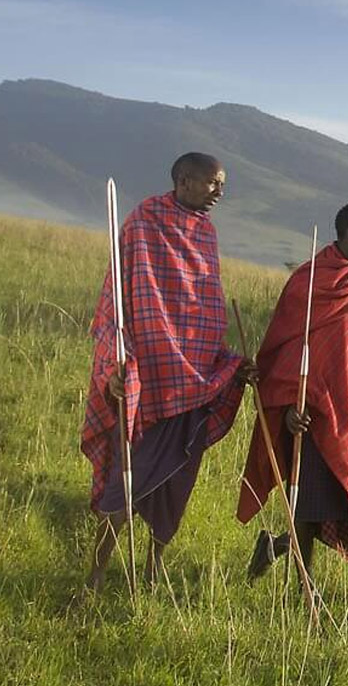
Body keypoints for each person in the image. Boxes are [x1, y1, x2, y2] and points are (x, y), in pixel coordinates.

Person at [81, 152, 256, 591]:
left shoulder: (206, 234)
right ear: (183, 180)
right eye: (212, 182)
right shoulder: (144, 222)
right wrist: (118, 361)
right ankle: (97, 572)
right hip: (151, 377)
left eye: (222, 184)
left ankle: (154, 563)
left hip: (195, 378)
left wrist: (229, 365)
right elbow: (120, 300)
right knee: (128, 478)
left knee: (179, 477)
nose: (219, 190)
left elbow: (206, 309)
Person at [238, 201, 348, 583]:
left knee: (328, 501)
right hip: (309, 414)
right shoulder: (309, 282)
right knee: (306, 500)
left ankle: (275, 548)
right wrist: (288, 405)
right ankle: (304, 584)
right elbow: (285, 348)